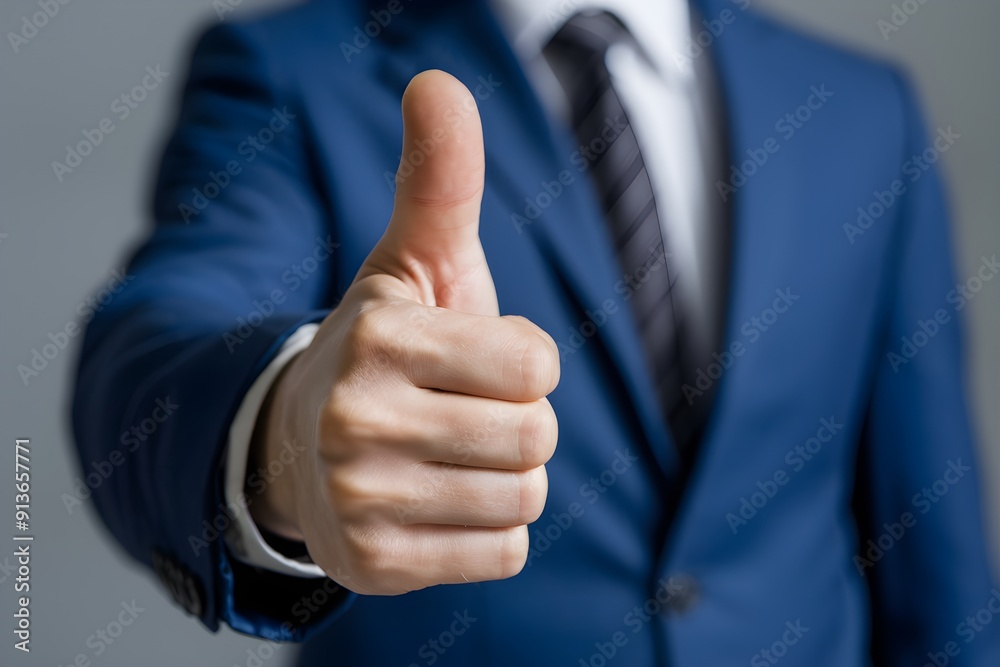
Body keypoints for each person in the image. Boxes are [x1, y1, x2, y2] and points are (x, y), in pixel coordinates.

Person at [72, 0, 1000, 664]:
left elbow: (937, 554)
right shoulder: (294, 72)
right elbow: (156, 338)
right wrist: (282, 429)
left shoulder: (862, 109)